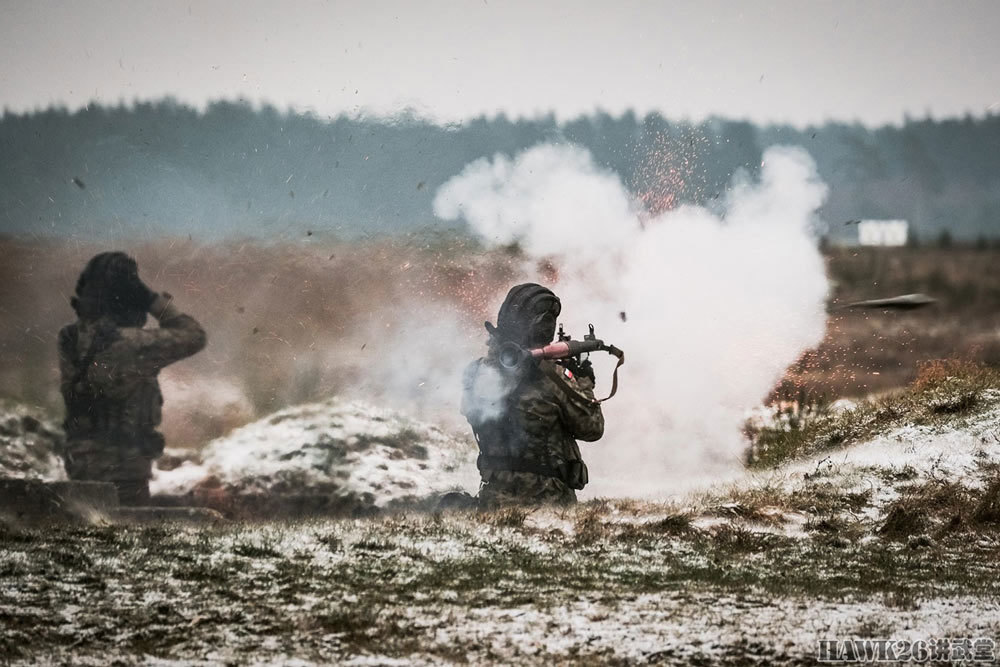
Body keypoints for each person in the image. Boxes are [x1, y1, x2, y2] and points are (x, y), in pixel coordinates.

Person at [58, 252, 206, 505]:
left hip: (81, 463)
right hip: (123, 469)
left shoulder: (70, 338)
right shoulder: (133, 344)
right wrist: (152, 300)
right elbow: (194, 336)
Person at [462, 283, 604, 508]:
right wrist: (583, 380)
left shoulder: (477, 371)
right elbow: (592, 428)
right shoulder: (554, 378)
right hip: (549, 503)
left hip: (493, 500)